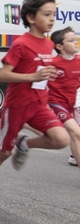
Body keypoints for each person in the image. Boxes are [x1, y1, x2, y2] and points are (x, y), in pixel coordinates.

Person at [0, 0, 70, 206]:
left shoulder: (49, 45)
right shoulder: (21, 44)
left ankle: (25, 143)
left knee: (62, 139)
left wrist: (48, 75)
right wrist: (33, 76)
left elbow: (42, 72)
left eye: (54, 14)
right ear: (31, 18)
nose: (52, 19)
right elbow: (3, 74)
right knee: (5, 151)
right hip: (17, 106)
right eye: (47, 14)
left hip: (39, 104)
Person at [47, 27, 80, 168]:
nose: (76, 43)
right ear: (60, 46)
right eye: (71, 40)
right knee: (76, 132)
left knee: (74, 136)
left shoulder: (78, 61)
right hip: (56, 102)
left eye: (76, 39)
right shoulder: (52, 63)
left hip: (72, 103)